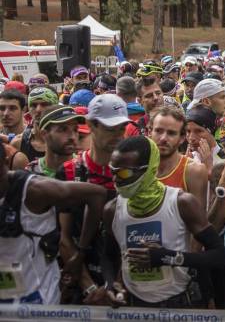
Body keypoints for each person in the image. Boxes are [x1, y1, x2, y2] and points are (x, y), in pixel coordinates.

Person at [103, 136, 225, 308]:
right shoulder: (112, 209)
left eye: (124, 173)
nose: (116, 180)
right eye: (113, 172)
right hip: (133, 305)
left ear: (148, 170)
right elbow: (108, 256)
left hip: (179, 304)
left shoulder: (181, 203)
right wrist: (110, 284)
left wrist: (168, 257)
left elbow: (220, 256)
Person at [0, 155, 107, 304]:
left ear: (6, 162)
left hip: (36, 302)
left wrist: (80, 253)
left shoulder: (34, 190)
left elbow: (97, 194)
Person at [56, 94, 132, 304]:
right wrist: (90, 288)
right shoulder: (70, 172)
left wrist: (117, 285)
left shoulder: (134, 173)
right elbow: (64, 238)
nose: (118, 135)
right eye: (110, 128)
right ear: (91, 125)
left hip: (125, 282)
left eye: (121, 128)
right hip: (82, 282)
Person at [150, 106, 208, 207]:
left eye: (171, 133)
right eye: (158, 131)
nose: (163, 138)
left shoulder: (194, 171)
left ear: (182, 138)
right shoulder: (139, 168)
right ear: (150, 132)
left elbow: (198, 215)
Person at [28, 105, 82, 178]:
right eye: (63, 130)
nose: (72, 137)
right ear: (44, 134)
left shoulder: (85, 169)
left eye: (75, 130)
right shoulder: (31, 172)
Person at [12, 87, 58, 164]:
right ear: (28, 109)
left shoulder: (66, 140)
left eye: (44, 104)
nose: (38, 110)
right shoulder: (18, 142)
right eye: (33, 105)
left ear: (55, 108)